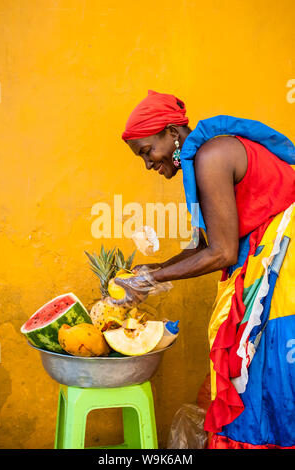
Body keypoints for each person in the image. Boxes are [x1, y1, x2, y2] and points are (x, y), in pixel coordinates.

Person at [113, 90, 295, 449]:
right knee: (261, 375)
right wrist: (157, 268)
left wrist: (152, 279)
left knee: (269, 371)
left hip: (284, 264)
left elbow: (223, 253)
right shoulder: (203, 157)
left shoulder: (211, 156)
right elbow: (203, 248)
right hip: (270, 259)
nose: (149, 164)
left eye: (148, 151)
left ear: (172, 133)